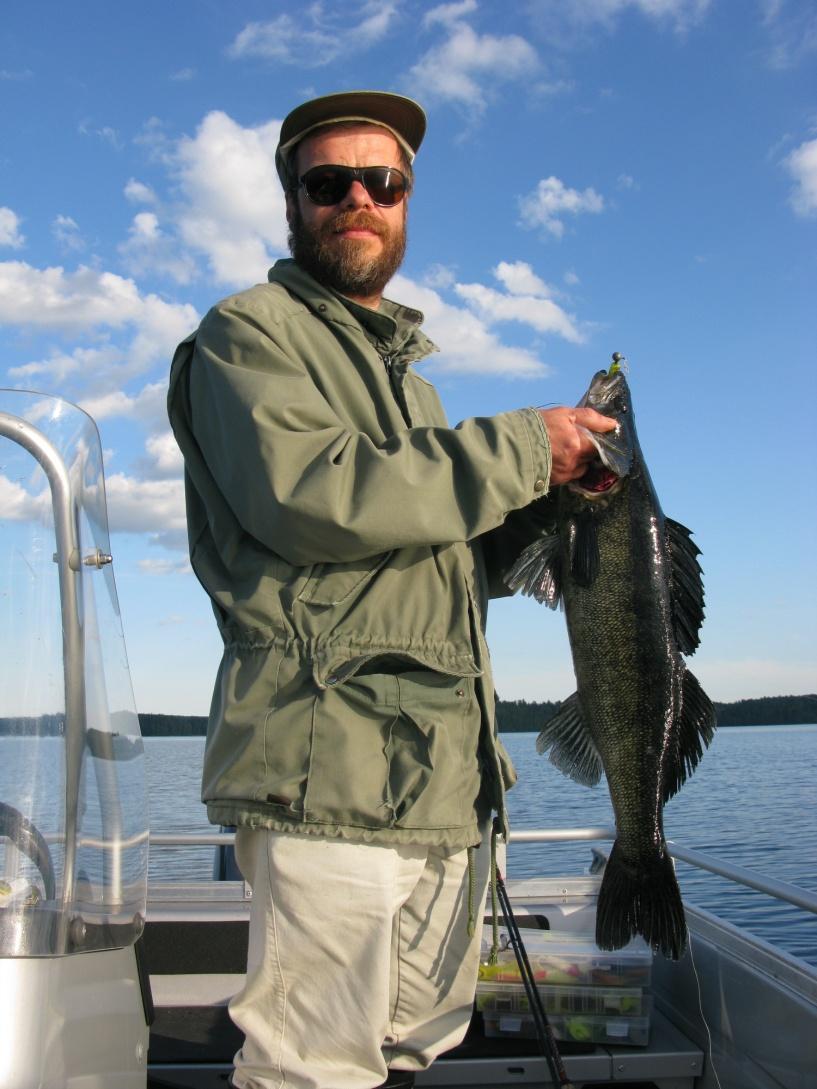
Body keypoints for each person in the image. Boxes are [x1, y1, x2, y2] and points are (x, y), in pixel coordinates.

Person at [167, 90, 615, 1089]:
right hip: (327, 777)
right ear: (294, 203)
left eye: (383, 182)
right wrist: (519, 447)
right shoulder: (250, 335)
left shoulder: (411, 383)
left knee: (414, 1043)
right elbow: (314, 497)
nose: (357, 199)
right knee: (312, 1067)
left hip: (444, 787)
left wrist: (545, 504)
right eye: (330, 183)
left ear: (408, 203)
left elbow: (440, 558)